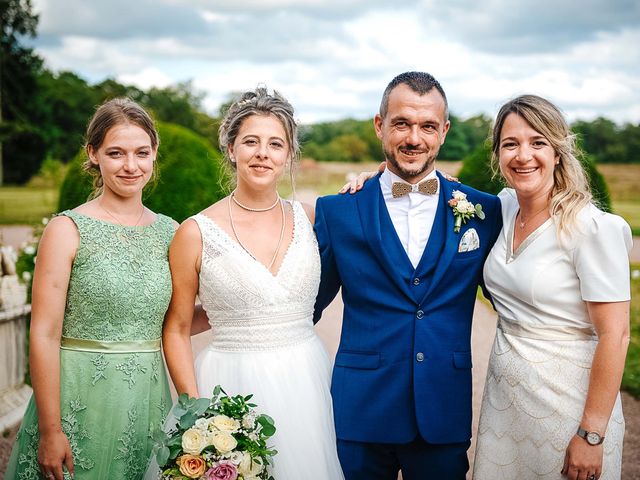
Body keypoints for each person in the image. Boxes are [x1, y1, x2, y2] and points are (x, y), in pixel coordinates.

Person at [313, 71, 503, 479]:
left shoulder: (484, 211)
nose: (414, 138)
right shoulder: (338, 211)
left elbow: (516, 297)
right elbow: (307, 304)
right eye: (402, 123)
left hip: (442, 412)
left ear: (444, 131)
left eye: (427, 126)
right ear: (380, 125)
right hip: (359, 412)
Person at [161, 87, 345, 479]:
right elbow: (176, 328)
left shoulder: (314, 219)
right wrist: (196, 411)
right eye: (251, 141)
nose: (263, 153)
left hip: (305, 378)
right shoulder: (195, 233)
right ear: (231, 149)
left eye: (275, 143)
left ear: (288, 155)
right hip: (228, 383)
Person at [5, 98, 176, 479]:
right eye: (115, 153)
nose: (130, 166)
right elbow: (44, 333)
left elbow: (175, 322)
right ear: (93, 154)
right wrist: (51, 431)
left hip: (148, 401)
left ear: (153, 155)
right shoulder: (67, 230)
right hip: (79, 400)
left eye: (141, 153)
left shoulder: (171, 232)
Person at [473, 95, 631, 480]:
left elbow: (616, 333)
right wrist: (380, 178)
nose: (523, 155)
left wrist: (591, 434)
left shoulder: (591, 228)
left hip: (568, 407)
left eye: (538, 142)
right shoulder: (504, 207)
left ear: (558, 151)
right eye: (510, 144)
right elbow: (434, 190)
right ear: (498, 154)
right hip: (505, 405)